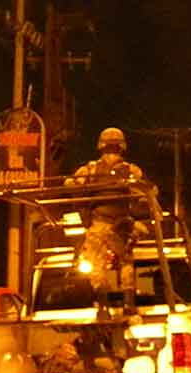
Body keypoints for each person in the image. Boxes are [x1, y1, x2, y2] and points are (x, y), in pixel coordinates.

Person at [65, 128, 151, 316]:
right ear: (122, 147)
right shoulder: (131, 170)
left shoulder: (90, 169)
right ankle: (129, 303)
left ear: (101, 146)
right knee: (126, 260)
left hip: (99, 224)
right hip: (123, 224)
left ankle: (103, 306)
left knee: (95, 264)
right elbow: (146, 192)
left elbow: (70, 185)